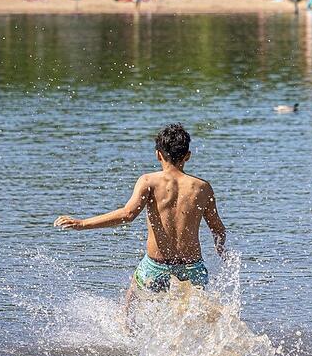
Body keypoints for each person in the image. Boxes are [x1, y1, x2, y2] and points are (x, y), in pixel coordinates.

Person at [54, 124, 227, 304]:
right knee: (194, 313)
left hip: (157, 266)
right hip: (192, 268)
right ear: (188, 156)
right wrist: (221, 251)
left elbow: (127, 214)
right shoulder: (202, 188)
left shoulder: (149, 181)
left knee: (131, 302)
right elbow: (218, 229)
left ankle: (126, 331)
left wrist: (83, 224)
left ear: (158, 154)